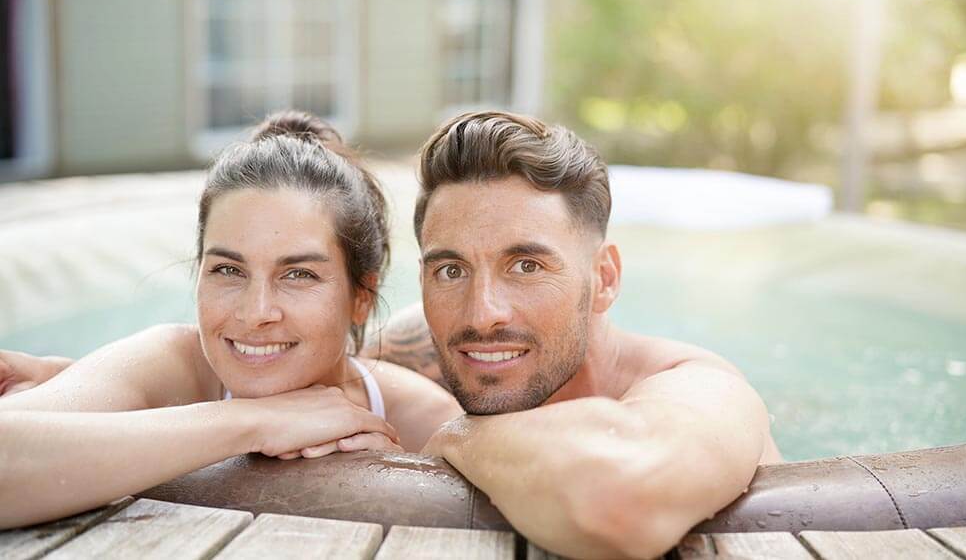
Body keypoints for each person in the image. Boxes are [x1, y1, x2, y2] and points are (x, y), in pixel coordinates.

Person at [0, 112, 460, 530]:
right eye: (228, 270)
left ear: (362, 298)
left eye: (298, 274)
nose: (255, 313)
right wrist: (253, 421)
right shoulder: (173, 367)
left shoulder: (414, 417)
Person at [404, 111, 782, 558]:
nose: (483, 315)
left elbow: (621, 502)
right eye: (451, 271)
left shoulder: (700, 385)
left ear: (604, 277)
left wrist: (457, 436)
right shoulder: (411, 350)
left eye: (526, 266)